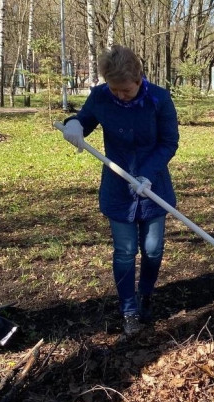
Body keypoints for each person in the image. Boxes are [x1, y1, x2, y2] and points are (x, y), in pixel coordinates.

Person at [60, 45, 179, 337]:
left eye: (125, 90)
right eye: (115, 90)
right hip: (118, 190)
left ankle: (145, 295)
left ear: (139, 79)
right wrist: (73, 124)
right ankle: (128, 309)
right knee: (125, 251)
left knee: (153, 249)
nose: (120, 95)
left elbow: (169, 142)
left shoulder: (159, 99)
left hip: (154, 187)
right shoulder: (101, 97)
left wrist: (147, 175)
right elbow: (85, 120)